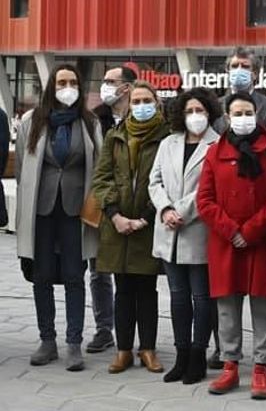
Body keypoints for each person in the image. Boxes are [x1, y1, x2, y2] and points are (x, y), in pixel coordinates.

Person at [15, 64, 102, 371]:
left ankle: (74, 343)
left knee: (74, 276)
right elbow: (24, 170)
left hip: (75, 211)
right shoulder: (32, 120)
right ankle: (47, 340)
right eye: (62, 82)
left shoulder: (89, 122)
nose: (67, 87)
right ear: (51, 85)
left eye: (73, 82)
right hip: (41, 210)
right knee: (41, 276)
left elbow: (100, 166)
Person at [197, 92, 266, 400]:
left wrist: (252, 230)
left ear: (256, 115)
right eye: (237, 112)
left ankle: (262, 367)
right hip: (226, 242)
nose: (243, 117)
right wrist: (232, 230)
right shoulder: (213, 152)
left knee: (264, 306)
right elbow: (204, 200)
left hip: (261, 241)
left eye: (248, 112)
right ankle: (230, 364)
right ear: (227, 117)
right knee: (227, 308)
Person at [211, 46, 266, 372]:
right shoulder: (215, 109)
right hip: (226, 225)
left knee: (265, 293)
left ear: (256, 72)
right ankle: (226, 354)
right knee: (226, 296)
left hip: (260, 222)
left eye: (244, 65)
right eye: (233, 65)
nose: (238, 70)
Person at [92, 80, 170, 374]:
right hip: (117, 225)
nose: (140, 106)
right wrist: (114, 215)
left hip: (150, 224)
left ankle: (147, 349)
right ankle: (123, 350)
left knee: (147, 289)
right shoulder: (115, 135)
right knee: (122, 289)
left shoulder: (167, 137)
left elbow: (167, 182)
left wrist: (146, 218)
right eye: (135, 101)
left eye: (146, 100)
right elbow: (102, 178)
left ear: (157, 103)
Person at [148, 88, 222, 385]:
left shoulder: (218, 144)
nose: (195, 116)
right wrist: (165, 209)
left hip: (198, 229)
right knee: (178, 298)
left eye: (200, 110)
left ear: (210, 113)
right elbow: (154, 181)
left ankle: (198, 355)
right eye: (190, 110)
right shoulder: (168, 143)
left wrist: (180, 212)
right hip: (168, 230)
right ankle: (180, 355)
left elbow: (209, 187)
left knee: (202, 298)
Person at [86, 65, 136, 355]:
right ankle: (104, 329)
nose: (104, 86)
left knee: (134, 275)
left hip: (134, 205)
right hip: (101, 205)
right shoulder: (95, 120)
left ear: (126, 87)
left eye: (110, 81)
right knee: (98, 271)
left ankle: (135, 336)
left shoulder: (143, 116)